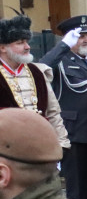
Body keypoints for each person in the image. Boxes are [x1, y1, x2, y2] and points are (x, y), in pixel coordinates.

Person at [42, 15, 87, 199]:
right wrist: (63, 46)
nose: (86, 39)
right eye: (80, 36)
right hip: (75, 135)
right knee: (76, 191)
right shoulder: (61, 61)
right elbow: (40, 68)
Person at [0, 16, 69, 147]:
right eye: (20, 43)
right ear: (3, 48)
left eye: (27, 42)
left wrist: (62, 144)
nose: (27, 47)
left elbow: (53, 112)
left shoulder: (37, 71)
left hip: (39, 145)